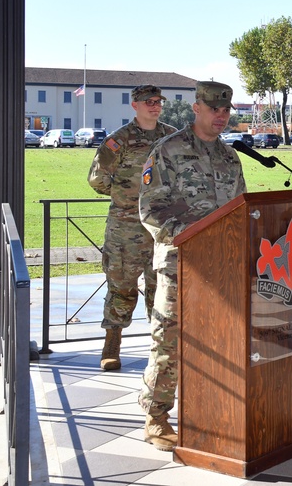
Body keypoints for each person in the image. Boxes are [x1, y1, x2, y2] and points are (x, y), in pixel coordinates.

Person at [137, 81, 246, 451]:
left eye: (226, 109)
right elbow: (150, 210)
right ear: (196, 108)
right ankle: (156, 416)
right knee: (169, 340)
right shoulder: (167, 150)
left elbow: (239, 207)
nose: (221, 115)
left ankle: (212, 408)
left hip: (222, 263)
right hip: (179, 262)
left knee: (218, 338)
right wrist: (194, 234)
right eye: (214, 108)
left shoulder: (230, 157)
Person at [87, 85, 176, 371]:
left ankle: (161, 348)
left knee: (161, 286)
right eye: (148, 102)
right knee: (121, 285)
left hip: (161, 225)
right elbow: (97, 178)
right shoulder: (119, 140)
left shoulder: (171, 137)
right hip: (126, 226)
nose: (155, 106)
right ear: (134, 105)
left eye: (158, 101)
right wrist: (126, 195)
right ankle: (112, 343)